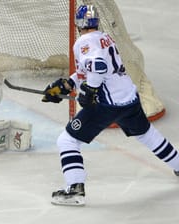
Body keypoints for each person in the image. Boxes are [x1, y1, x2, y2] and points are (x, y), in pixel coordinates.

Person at [42, 5, 179, 206]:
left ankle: (75, 189)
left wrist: (90, 91)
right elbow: (88, 71)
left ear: (78, 23)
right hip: (129, 98)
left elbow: (98, 66)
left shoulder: (84, 41)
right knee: (146, 134)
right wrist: (65, 85)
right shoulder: (103, 37)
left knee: (67, 141)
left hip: (106, 104)